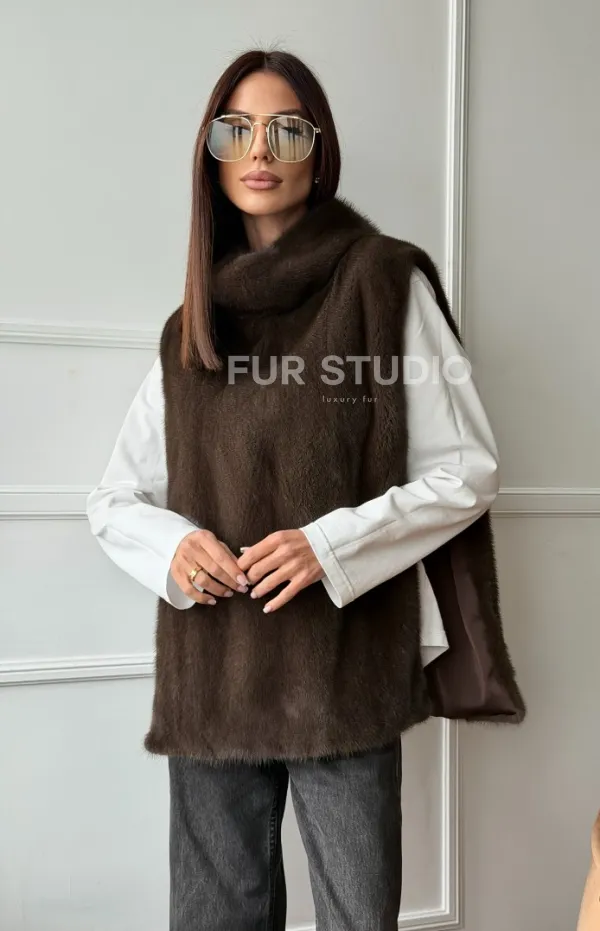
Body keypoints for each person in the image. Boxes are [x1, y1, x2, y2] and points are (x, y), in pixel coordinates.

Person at [86, 48, 507, 931]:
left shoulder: (382, 282)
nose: (259, 149)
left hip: (343, 676)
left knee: (358, 918)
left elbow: (467, 467)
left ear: (320, 150)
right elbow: (115, 500)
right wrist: (175, 546)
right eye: (235, 130)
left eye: (285, 129)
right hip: (213, 683)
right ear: (210, 156)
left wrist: (328, 545)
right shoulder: (190, 326)